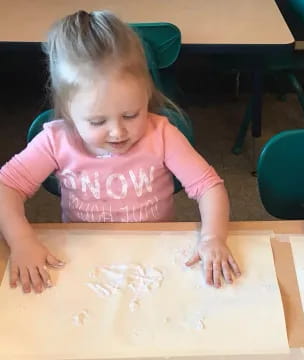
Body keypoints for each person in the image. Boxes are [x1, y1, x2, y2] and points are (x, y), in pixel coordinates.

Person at [0, 10, 240, 294]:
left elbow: (209, 187)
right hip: (83, 257)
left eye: (130, 114)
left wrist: (213, 237)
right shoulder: (57, 140)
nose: (117, 132)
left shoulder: (161, 134)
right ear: (68, 112)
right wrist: (22, 240)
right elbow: (6, 187)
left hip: (154, 253)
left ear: (146, 97)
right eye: (98, 121)